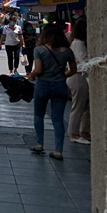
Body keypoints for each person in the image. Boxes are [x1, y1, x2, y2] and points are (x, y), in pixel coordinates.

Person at [27, 23, 77, 160]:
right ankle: (58, 150)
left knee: (39, 115)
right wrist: (63, 75)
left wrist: (30, 77)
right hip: (60, 86)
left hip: (43, 85)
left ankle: (39, 144)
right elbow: (73, 70)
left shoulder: (39, 49)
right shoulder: (67, 51)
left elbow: (38, 70)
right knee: (58, 119)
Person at [67, 17, 90, 145]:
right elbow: (84, 60)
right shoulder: (77, 43)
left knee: (84, 105)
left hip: (79, 76)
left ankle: (83, 130)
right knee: (78, 106)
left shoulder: (76, 42)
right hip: (78, 76)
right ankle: (74, 133)